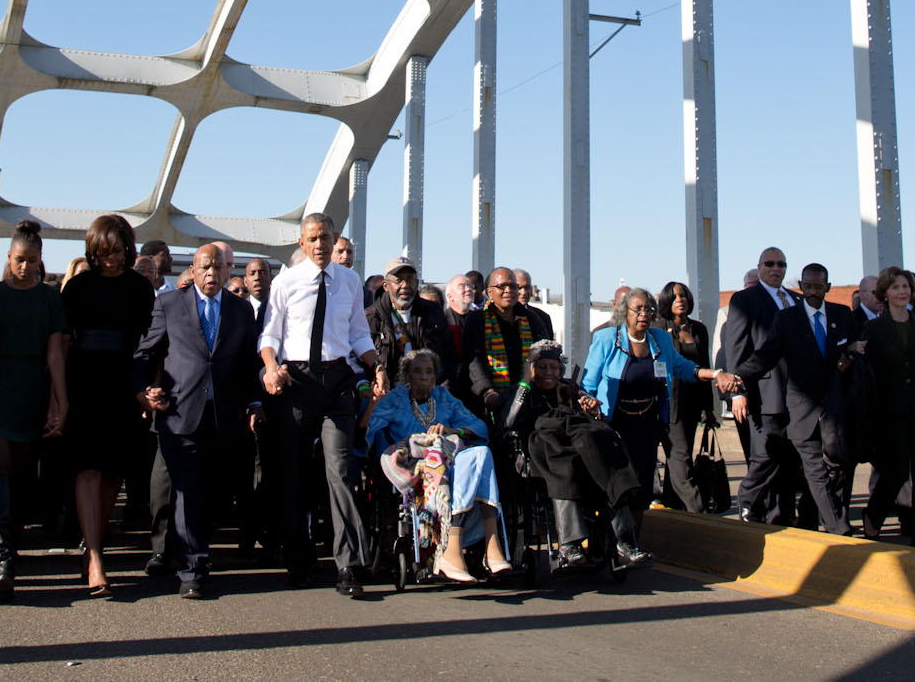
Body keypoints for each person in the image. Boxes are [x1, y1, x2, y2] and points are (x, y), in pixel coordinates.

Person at [258, 211, 384, 597]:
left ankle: (348, 565)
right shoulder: (286, 282)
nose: (319, 245)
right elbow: (270, 334)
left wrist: (377, 366)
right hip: (296, 382)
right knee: (293, 474)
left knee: (341, 470)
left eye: (325, 238)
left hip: (336, 382)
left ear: (334, 240)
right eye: (312, 239)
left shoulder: (349, 283)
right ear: (302, 243)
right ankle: (298, 560)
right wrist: (269, 367)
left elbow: (359, 335)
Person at [137, 243, 261, 600]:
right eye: (204, 268)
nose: (211, 274)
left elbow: (248, 362)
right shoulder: (169, 305)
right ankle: (191, 567)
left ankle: (195, 551)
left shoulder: (240, 311)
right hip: (181, 412)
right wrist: (146, 389)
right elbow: (146, 353)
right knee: (187, 488)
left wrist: (253, 401)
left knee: (214, 491)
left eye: (217, 268)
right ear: (192, 270)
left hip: (223, 415)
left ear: (226, 271)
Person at [581, 286, 737, 529]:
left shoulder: (660, 340)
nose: (645, 314)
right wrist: (588, 404)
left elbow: (684, 367)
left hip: (646, 424)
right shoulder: (607, 339)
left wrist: (716, 374)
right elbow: (587, 384)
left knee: (642, 488)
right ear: (626, 312)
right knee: (618, 486)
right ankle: (613, 544)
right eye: (639, 309)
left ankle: (633, 542)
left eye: (649, 309)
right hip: (614, 424)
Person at [61, 213, 154, 595]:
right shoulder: (77, 287)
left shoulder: (140, 288)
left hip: (124, 383)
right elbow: (63, 343)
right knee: (87, 468)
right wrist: (59, 397)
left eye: (117, 251)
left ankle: (92, 542)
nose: (110, 259)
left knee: (113, 471)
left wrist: (146, 388)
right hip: (83, 381)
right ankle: (96, 555)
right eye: (102, 252)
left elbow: (150, 343)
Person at [365, 348, 513, 583]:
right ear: (406, 376)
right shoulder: (394, 400)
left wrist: (454, 430)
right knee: (443, 456)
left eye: (429, 371)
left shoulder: (444, 398)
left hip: (451, 460)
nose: (424, 376)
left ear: (435, 377)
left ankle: (487, 543)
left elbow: (480, 428)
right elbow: (373, 431)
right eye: (417, 371)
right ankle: (465, 547)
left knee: (482, 453)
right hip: (418, 462)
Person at [502, 341, 652, 572]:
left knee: (606, 462)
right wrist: (525, 381)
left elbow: (591, 426)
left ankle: (623, 542)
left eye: (553, 367)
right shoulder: (522, 389)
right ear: (531, 369)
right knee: (565, 465)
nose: (549, 373)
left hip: (577, 450)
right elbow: (509, 423)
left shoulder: (569, 390)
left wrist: (592, 411)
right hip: (544, 451)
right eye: (542, 367)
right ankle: (569, 545)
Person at [0, 220, 67, 600]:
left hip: (32, 390)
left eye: (31, 261)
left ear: (41, 260)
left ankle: (6, 546)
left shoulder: (49, 298)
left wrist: (60, 401)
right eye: (19, 260)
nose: (25, 267)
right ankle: (2, 557)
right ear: (8, 258)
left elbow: (54, 353)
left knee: (22, 477)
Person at [734, 262, 856, 534]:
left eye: (818, 286)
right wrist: (739, 378)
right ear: (800, 287)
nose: (813, 292)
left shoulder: (843, 315)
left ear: (828, 287)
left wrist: (850, 358)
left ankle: (814, 519)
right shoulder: (787, 320)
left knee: (837, 465)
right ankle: (839, 527)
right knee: (815, 469)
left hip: (835, 408)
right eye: (808, 286)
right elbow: (767, 355)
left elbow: (855, 349)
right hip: (801, 409)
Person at [861, 266, 915, 547]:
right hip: (889, 411)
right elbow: (865, 371)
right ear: (885, 293)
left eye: (906, 287)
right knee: (896, 471)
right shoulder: (873, 329)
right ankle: (873, 517)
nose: (902, 292)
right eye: (896, 287)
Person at [723, 246, 801, 525]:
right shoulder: (745, 300)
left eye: (781, 264)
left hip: (798, 396)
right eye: (770, 264)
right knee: (765, 456)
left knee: (790, 463)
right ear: (759, 267)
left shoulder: (795, 300)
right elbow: (736, 349)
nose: (776, 269)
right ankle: (748, 505)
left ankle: (781, 519)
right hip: (763, 393)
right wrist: (737, 392)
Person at [656, 280, 713, 513]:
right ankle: (696, 509)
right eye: (675, 296)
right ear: (667, 301)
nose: (680, 300)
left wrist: (710, 408)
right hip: (670, 402)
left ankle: (673, 505)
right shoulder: (659, 328)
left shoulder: (698, 328)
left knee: (681, 455)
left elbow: (705, 366)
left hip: (693, 401)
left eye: (683, 296)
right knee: (680, 458)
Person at [464, 267, 544, 416]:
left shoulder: (532, 319)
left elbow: (544, 353)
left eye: (513, 286)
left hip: (530, 398)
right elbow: (473, 360)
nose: (508, 290)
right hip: (489, 401)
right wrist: (487, 392)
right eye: (501, 286)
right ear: (489, 293)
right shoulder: (476, 320)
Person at [367, 256, 455, 386]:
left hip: (427, 391)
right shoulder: (371, 316)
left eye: (410, 280)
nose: (405, 285)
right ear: (386, 286)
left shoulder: (433, 312)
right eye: (398, 280)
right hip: (387, 392)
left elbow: (449, 355)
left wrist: (441, 383)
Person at [242, 257, 274, 325]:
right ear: (245, 281)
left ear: (271, 278)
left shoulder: (279, 307)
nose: (257, 277)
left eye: (262, 273)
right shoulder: (237, 310)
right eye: (252, 273)